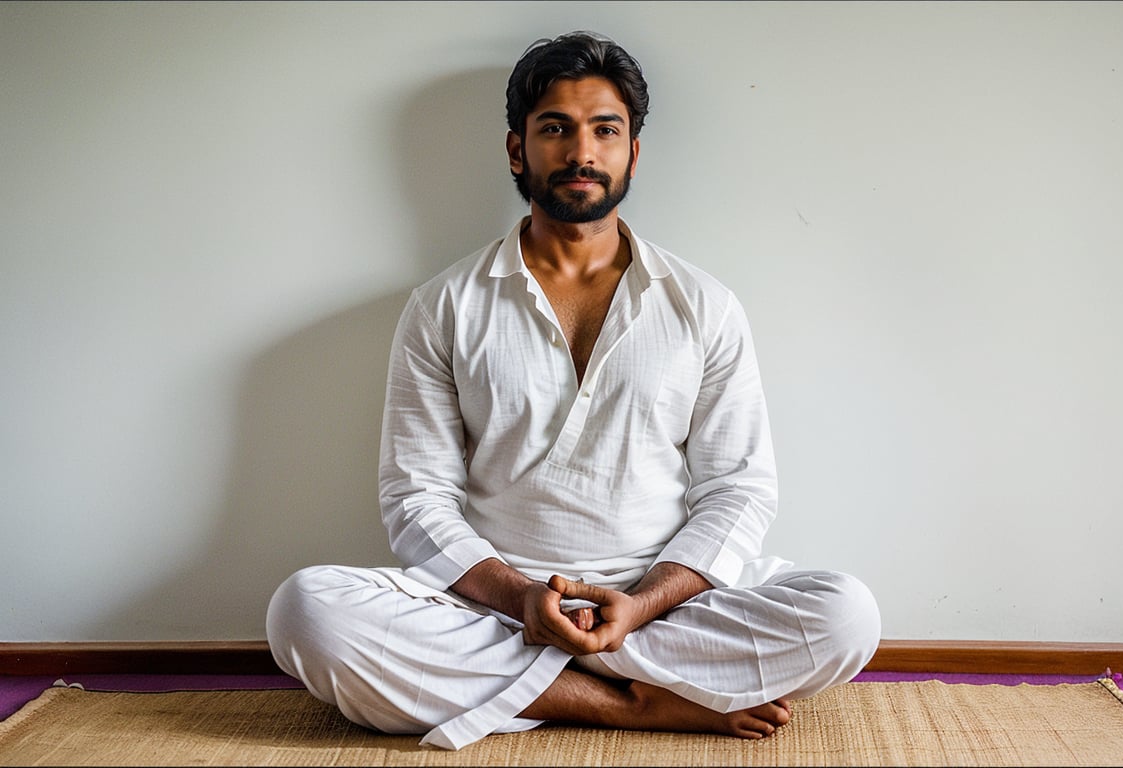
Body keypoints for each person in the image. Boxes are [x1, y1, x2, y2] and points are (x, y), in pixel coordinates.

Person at [266, 30, 881, 751]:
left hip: (662, 601)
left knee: (846, 616)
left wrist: (643, 602)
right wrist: (521, 598)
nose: (581, 152)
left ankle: (532, 682)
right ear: (516, 150)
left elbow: (739, 490)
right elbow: (415, 497)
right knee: (306, 612)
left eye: (604, 130)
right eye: (555, 128)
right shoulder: (445, 306)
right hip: (493, 602)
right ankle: (635, 704)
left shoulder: (703, 305)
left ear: (632, 152)